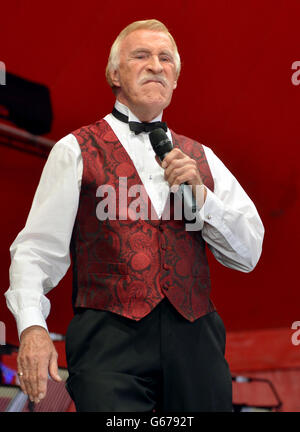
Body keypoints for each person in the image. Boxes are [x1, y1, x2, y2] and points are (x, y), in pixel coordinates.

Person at [5, 19, 264, 412]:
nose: (156, 66)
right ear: (114, 74)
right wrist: (32, 327)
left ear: (176, 80)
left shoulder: (202, 157)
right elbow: (36, 251)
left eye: (166, 59)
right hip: (110, 342)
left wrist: (203, 197)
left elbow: (248, 254)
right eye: (141, 56)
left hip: (196, 341)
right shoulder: (76, 149)